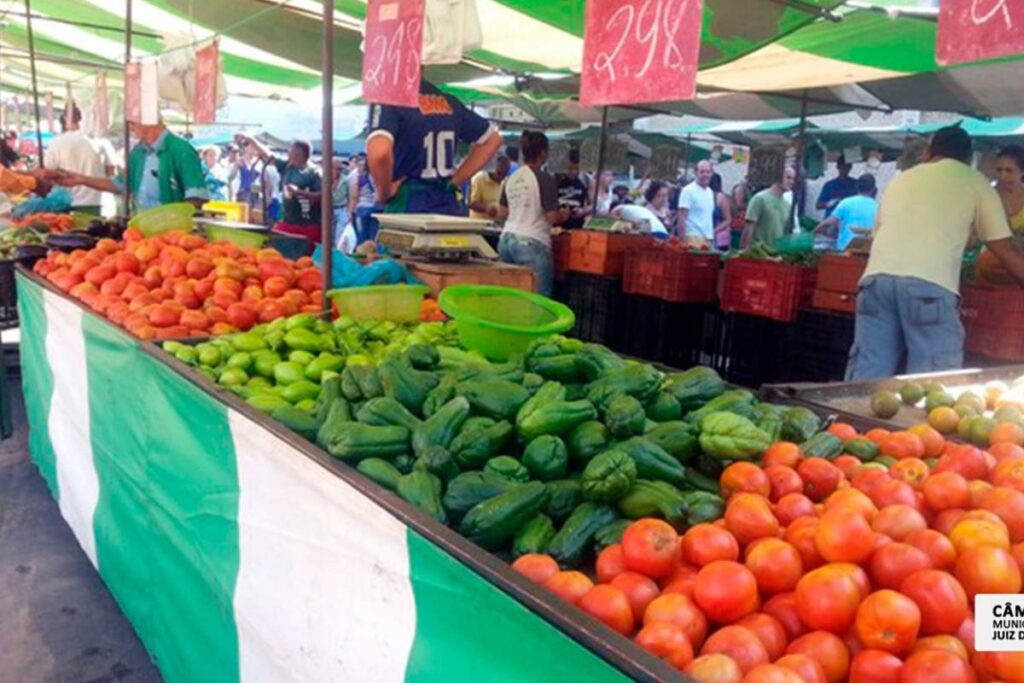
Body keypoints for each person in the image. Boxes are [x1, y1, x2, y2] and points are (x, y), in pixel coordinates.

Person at [847, 125, 1024, 380]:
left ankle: (849, 418)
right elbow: (1003, 250)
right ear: (967, 158)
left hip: (876, 282)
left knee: (868, 373)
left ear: (929, 152)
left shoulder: (902, 179)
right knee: (932, 382)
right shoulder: (975, 181)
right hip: (928, 287)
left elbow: (877, 237)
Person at [366, 80, 502, 215]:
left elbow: (380, 153)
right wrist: (456, 180)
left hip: (408, 202)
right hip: (447, 201)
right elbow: (492, 140)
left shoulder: (389, 100)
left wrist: (384, 192)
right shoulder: (450, 102)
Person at [57, 120, 208, 212]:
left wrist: (170, 218)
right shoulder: (138, 152)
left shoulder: (181, 150)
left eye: (133, 122)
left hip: (172, 238)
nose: (130, 126)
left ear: (149, 119)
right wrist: (82, 179)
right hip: (140, 231)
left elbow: (197, 197)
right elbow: (121, 184)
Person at [496, 131, 566, 297]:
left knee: (509, 297)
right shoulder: (544, 178)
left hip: (506, 240)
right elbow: (552, 217)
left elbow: (502, 213)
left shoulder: (512, 178)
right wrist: (565, 214)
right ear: (543, 153)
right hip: (532, 241)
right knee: (538, 300)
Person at [240, 135, 322, 247]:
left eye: (290, 150)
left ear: (298, 153)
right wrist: (251, 139)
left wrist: (300, 193)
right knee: (272, 245)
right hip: (288, 223)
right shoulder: (288, 166)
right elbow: (268, 156)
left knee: (305, 260)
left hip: (308, 226)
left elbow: (323, 196)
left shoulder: (315, 172)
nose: (288, 152)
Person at [43, 105, 106, 214]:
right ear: (80, 118)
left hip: (66, 204)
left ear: (63, 119)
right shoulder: (98, 142)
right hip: (94, 203)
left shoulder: (56, 143)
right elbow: (110, 171)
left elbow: (48, 172)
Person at [814, 174, 878, 251]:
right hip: (867, 252)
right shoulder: (878, 207)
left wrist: (814, 232)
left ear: (857, 186)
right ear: (873, 189)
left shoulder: (846, 203)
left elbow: (828, 223)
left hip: (845, 251)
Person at [742, 168, 796, 248]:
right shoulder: (760, 199)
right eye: (788, 177)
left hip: (776, 255)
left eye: (793, 179)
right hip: (758, 254)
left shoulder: (787, 205)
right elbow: (749, 229)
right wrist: (745, 253)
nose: (791, 182)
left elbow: (784, 232)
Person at [676, 160, 716, 242]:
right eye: (702, 172)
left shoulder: (710, 192)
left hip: (708, 238)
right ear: (696, 173)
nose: (705, 175)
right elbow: (682, 217)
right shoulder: (688, 191)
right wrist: (682, 241)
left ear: (712, 174)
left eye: (708, 172)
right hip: (692, 237)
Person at [348, 154, 380, 244]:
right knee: (374, 237)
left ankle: (362, 254)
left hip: (362, 209)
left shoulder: (360, 178)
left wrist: (350, 212)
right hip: (376, 209)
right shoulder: (379, 177)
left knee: (361, 236)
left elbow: (354, 197)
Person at [468, 153, 510, 219]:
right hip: (479, 224)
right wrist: (486, 209)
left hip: (496, 224)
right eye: (499, 173)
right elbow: (471, 203)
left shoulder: (505, 182)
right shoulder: (479, 179)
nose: (501, 177)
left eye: (504, 175)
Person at [995, 145, 1024, 237]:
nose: (1002, 176)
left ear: (1022, 172)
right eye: (999, 170)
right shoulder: (988, 196)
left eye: (1009, 170)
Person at [557, 151, 591, 229]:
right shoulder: (556, 179)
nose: (573, 172)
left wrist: (583, 211)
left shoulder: (586, 179)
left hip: (577, 223)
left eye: (576, 169)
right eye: (570, 168)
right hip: (559, 224)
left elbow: (594, 204)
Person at [709, 173, 733, 250]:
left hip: (715, 238)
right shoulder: (722, 197)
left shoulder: (719, 197)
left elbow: (728, 219)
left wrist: (713, 231)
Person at [729, 182, 749, 249]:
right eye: (735, 194)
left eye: (740, 194)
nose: (737, 196)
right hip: (732, 238)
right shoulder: (731, 209)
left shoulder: (748, 209)